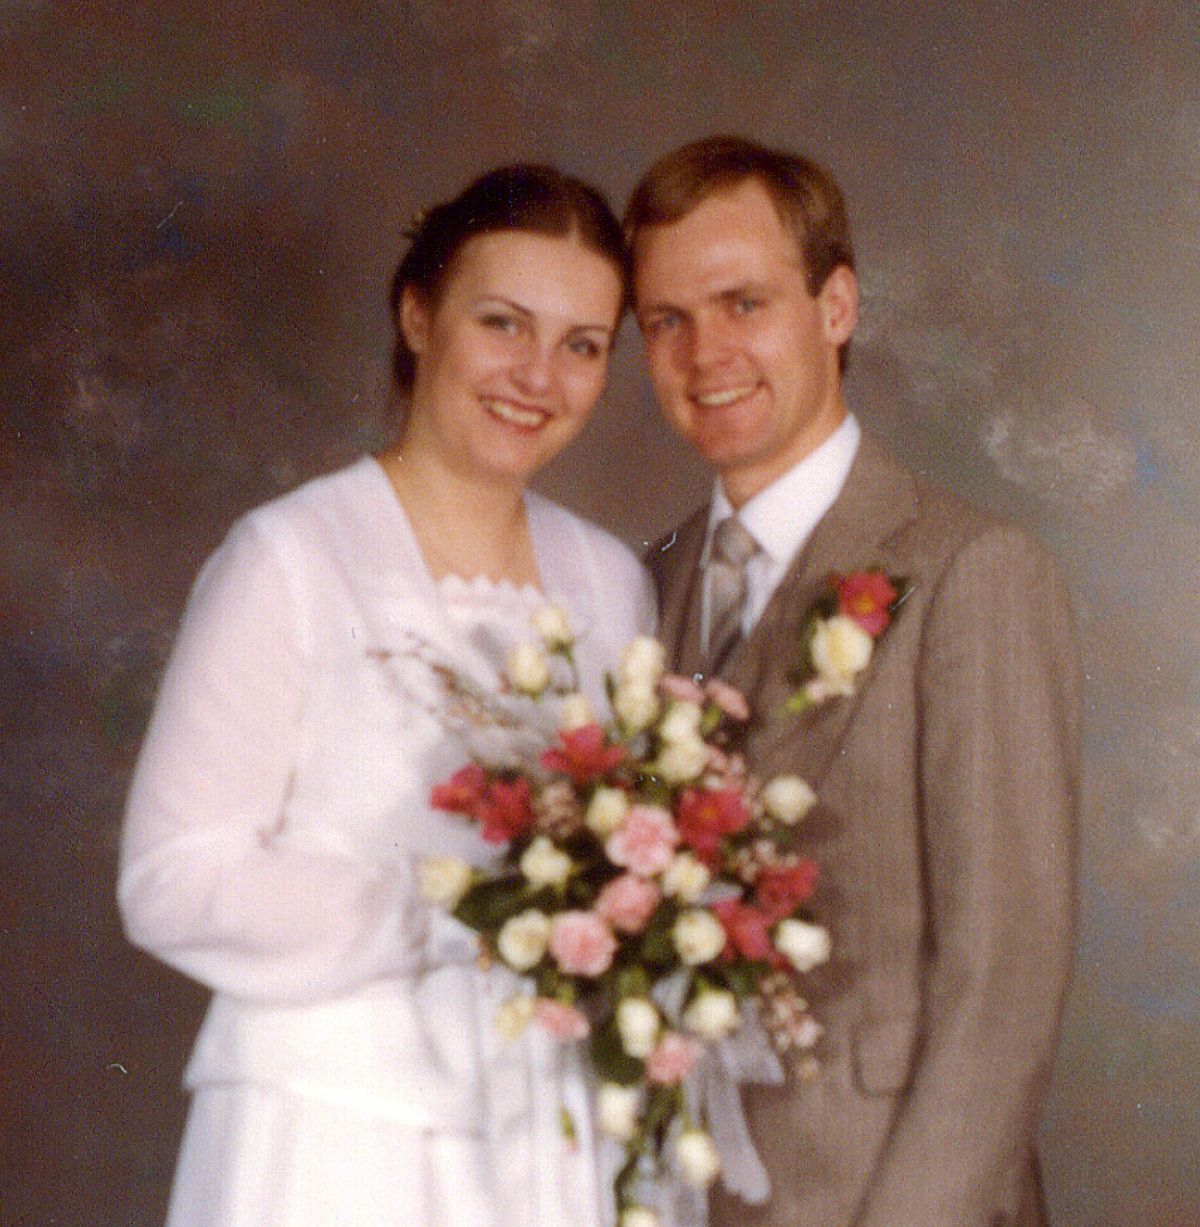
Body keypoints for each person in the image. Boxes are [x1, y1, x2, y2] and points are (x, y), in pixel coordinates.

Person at [118, 164, 655, 1227]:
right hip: (331, 1132)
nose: (537, 376)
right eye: (502, 323)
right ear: (418, 317)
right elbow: (171, 880)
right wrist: (451, 914)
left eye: (582, 345)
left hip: (545, 1141)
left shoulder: (611, 582)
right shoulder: (292, 558)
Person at [626, 135, 1080, 1227]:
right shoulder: (638, 587)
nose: (706, 353)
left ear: (836, 307)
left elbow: (1004, 987)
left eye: (744, 303)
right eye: (667, 321)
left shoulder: (972, 570)